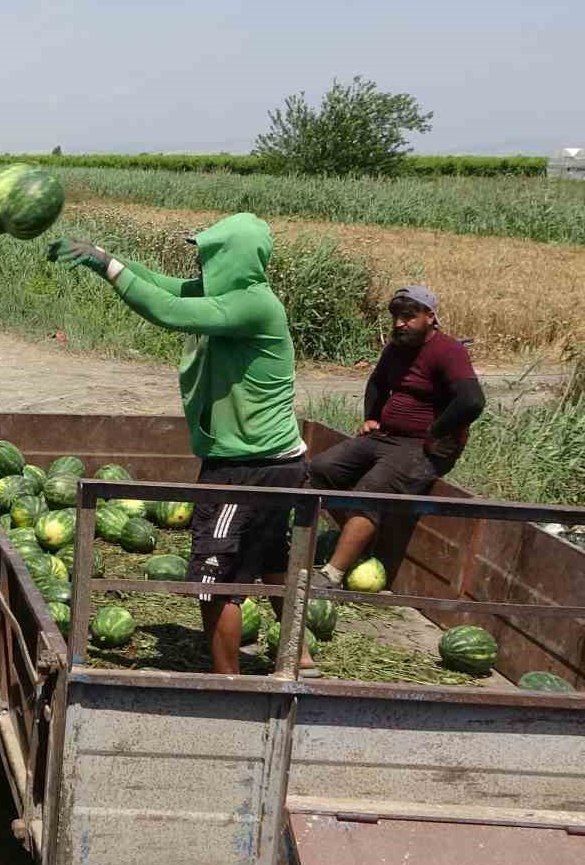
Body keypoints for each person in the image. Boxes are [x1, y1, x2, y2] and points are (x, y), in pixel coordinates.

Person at [49, 213, 315, 676]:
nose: (200, 261)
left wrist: (106, 267)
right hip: (275, 461)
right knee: (271, 560)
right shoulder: (233, 296)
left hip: (247, 468)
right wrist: (105, 259)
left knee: (216, 582)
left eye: (209, 253)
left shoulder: (254, 306)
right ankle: (301, 656)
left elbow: (167, 311)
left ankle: (226, 685)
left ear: (232, 255)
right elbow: (167, 287)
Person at [309, 286, 485, 587]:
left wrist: (436, 431)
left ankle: (332, 574)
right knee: (320, 470)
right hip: (386, 436)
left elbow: (472, 400)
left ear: (430, 316)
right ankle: (359, 540)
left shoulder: (448, 351)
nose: (400, 324)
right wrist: (372, 417)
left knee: (372, 490)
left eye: (408, 317)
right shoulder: (396, 348)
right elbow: (377, 382)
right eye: (396, 317)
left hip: (422, 449)